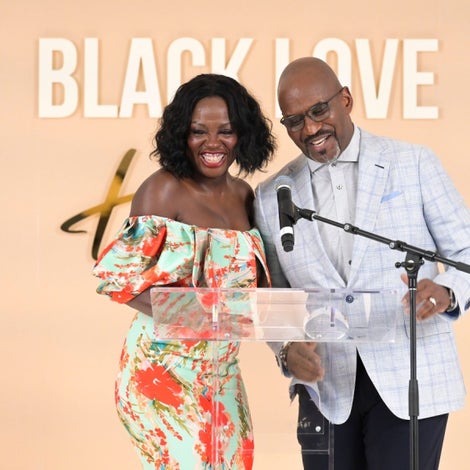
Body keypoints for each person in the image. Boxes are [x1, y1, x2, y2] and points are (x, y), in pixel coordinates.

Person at [254, 57, 470, 469]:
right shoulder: (271, 196)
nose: (310, 129)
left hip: (410, 378)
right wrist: (286, 349)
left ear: (346, 100)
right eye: (295, 121)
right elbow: (274, 295)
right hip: (325, 391)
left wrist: (447, 291)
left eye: (319, 110)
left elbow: (467, 251)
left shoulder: (413, 163)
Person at [92, 73, 276, 469]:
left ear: (242, 134)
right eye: (198, 132)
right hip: (162, 372)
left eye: (226, 131)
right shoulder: (163, 190)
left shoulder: (244, 196)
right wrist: (198, 313)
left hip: (223, 372)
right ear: (182, 135)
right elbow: (117, 280)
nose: (213, 143)